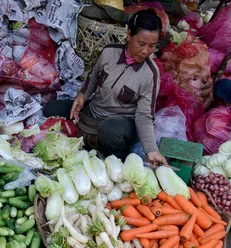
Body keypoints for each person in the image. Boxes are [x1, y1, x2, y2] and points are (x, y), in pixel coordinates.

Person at [43, 9, 168, 167]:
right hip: (93, 113)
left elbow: (144, 116)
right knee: (51, 108)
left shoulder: (150, 74)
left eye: (152, 46)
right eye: (141, 44)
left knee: (110, 130)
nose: (146, 51)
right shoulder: (109, 52)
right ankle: (89, 140)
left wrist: (151, 150)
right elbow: (94, 78)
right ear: (129, 34)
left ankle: (116, 158)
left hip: (120, 124)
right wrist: (82, 95)